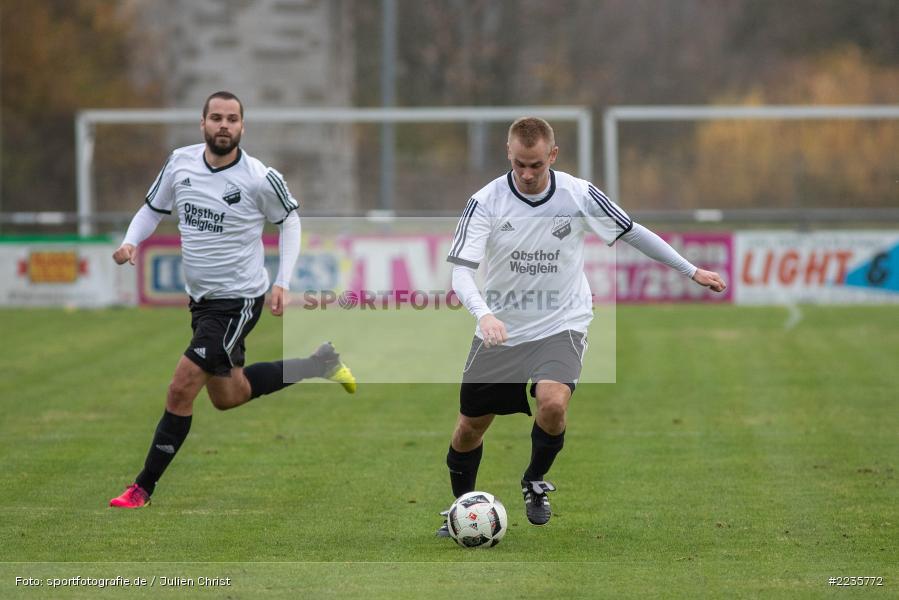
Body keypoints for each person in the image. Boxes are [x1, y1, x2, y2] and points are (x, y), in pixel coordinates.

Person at [438, 117, 726, 534]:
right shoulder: (485, 202)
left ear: (552, 156)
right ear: (508, 153)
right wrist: (484, 314)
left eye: (536, 164)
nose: (527, 173)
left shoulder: (578, 194)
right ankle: (461, 509)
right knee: (469, 428)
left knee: (553, 404)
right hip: (502, 327)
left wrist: (689, 269)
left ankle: (534, 481)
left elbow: (632, 231)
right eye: (519, 163)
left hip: (563, 321)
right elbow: (461, 271)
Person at [108, 91, 356, 509]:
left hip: (238, 300)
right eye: (217, 118)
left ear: (243, 126)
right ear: (202, 123)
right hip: (201, 302)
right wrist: (131, 242)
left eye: (233, 119)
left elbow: (290, 221)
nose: (225, 125)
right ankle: (319, 363)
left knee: (180, 387)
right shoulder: (180, 163)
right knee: (229, 395)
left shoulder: (259, 177)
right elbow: (152, 209)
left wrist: (283, 281)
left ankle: (142, 488)